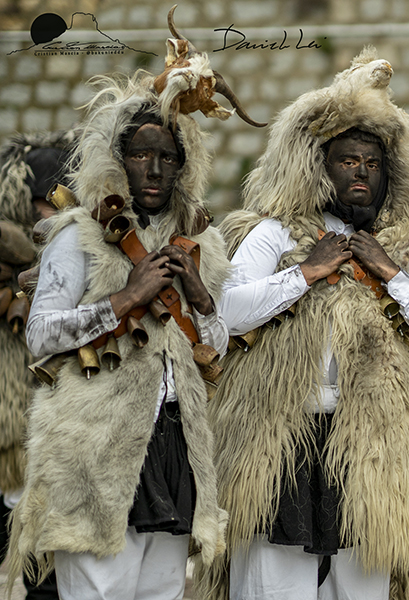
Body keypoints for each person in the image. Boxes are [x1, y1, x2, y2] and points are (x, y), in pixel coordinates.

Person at [197, 48, 409, 600]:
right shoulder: (273, 233)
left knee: (361, 588)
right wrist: (307, 272)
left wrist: (389, 271)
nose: (361, 171)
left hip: (372, 450)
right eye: (347, 160)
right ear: (321, 167)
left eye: (372, 163)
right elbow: (227, 312)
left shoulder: (408, 249)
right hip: (276, 445)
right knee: (272, 588)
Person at [6, 70, 232, 600]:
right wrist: (125, 299)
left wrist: (201, 300)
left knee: (163, 593)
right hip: (92, 450)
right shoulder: (78, 236)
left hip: (177, 448)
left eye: (168, 157)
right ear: (117, 159)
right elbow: (40, 335)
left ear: (184, 167)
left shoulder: (203, 246)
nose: (153, 169)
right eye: (140, 154)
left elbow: (215, 351)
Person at [0, 129, 76, 600]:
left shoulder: (83, 250)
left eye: (57, 201)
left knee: (46, 564)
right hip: (10, 427)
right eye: (41, 203)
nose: (50, 212)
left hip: (58, 429)